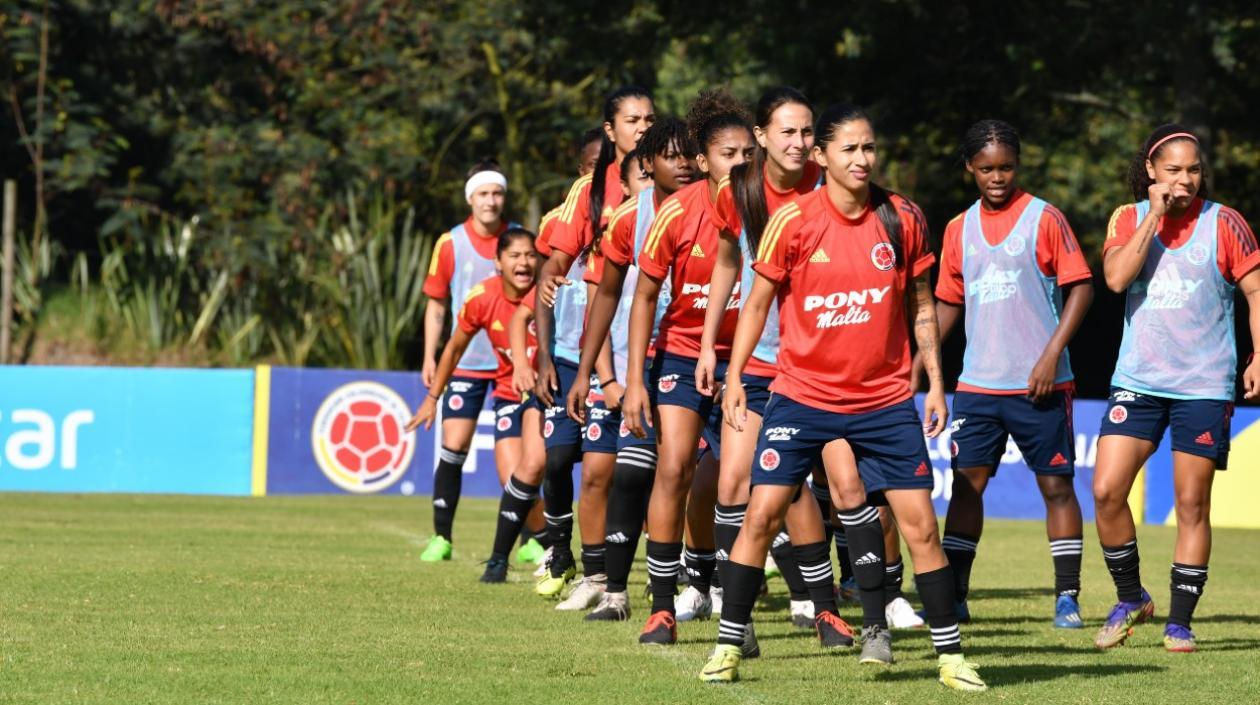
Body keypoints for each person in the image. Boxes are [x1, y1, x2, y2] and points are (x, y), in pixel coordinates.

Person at [697, 103, 985, 692]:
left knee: (920, 528)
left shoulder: (901, 216)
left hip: (882, 402)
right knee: (760, 514)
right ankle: (728, 645)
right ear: (822, 157)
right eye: (849, 149)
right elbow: (754, 305)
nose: (862, 159)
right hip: (800, 396)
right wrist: (732, 377)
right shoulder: (794, 221)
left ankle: (951, 657)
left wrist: (932, 380)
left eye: (869, 148)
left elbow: (923, 304)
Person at [694, 86, 861, 638]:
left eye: (807, 131)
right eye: (786, 132)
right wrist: (708, 348)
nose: (799, 142)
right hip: (761, 365)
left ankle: (831, 607)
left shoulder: (833, 185)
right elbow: (726, 266)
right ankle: (730, 608)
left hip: (821, 369)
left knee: (836, 488)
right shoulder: (738, 190)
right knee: (736, 481)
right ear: (761, 137)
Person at [1093, 124, 1260, 653]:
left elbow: (1256, 291)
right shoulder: (1127, 217)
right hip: (1138, 380)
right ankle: (1131, 597)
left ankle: (1179, 622)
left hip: (1204, 385)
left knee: (1192, 504)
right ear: (1151, 171)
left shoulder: (1226, 223)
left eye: (1192, 170)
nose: (1184, 180)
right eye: (1173, 170)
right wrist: (1154, 217)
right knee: (1105, 490)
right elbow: (1117, 280)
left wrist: (1259, 354)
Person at [930, 119, 1094, 628]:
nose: (996, 177)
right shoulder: (959, 228)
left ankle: (1067, 597)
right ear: (970, 170)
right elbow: (947, 304)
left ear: (1016, 166)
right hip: (978, 385)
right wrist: (921, 357)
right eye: (986, 169)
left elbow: (1082, 288)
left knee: (1056, 489)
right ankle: (955, 595)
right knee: (965, 488)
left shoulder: (1045, 218)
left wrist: (1050, 356)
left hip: (1041, 385)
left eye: (1005, 167)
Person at [619, 88, 755, 646]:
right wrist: (632, 380)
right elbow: (644, 297)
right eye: (729, 154)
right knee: (673, 466)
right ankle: (661, 606)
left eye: (749, 153)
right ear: (703, 160)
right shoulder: (674, 209)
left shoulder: (776, 206)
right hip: (680, 353)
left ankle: (738, 601)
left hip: (751, 362)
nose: (741, 164)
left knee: (738, 480)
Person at [524, 86, 656, 598]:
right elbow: (551, 272)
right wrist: (543, 355)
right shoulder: (592, 191)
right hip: (592, 351)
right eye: (631, 119)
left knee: (650, 469)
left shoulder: (677, 181)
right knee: (572, 464)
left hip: (657, 349)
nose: (642, 127)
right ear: (610, 129)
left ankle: (690, 575)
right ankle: (574, 558)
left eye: (649, 118)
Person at [564, 117, 696, 622]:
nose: (683, 164)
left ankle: (704, 583)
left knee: (704, 481)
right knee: (633, 474)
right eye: (672, 154)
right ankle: (615, 593)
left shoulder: (718, 211)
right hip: (643, 370)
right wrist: (591, 374)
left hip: (704, 366)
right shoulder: (624, 219)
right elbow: (604, 297)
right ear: (647, 164)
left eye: (691, 154)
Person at [407, 227, 543, 582]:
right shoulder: (482, 297)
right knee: (512, 476)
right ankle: (528, 547)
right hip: (510, 393)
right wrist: (432, 398)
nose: (524, 262)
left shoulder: (551, 292)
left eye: (530, 255)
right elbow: (453, 348)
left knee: (541, 470)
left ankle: (544, 546)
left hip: (549, 395)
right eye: (514, 256)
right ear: (497, 262)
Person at [419, 160, 513, 562]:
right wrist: (430, 354)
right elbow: (436, 304)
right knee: (453, 445)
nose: (491, 201)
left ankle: (528, 539)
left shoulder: (518, 241)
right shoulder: (450, 243)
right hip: (466, 362)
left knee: (519, 459)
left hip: (513, 365)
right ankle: (442, 538)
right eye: (483, 194)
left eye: (497, 194)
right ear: (470, 198)